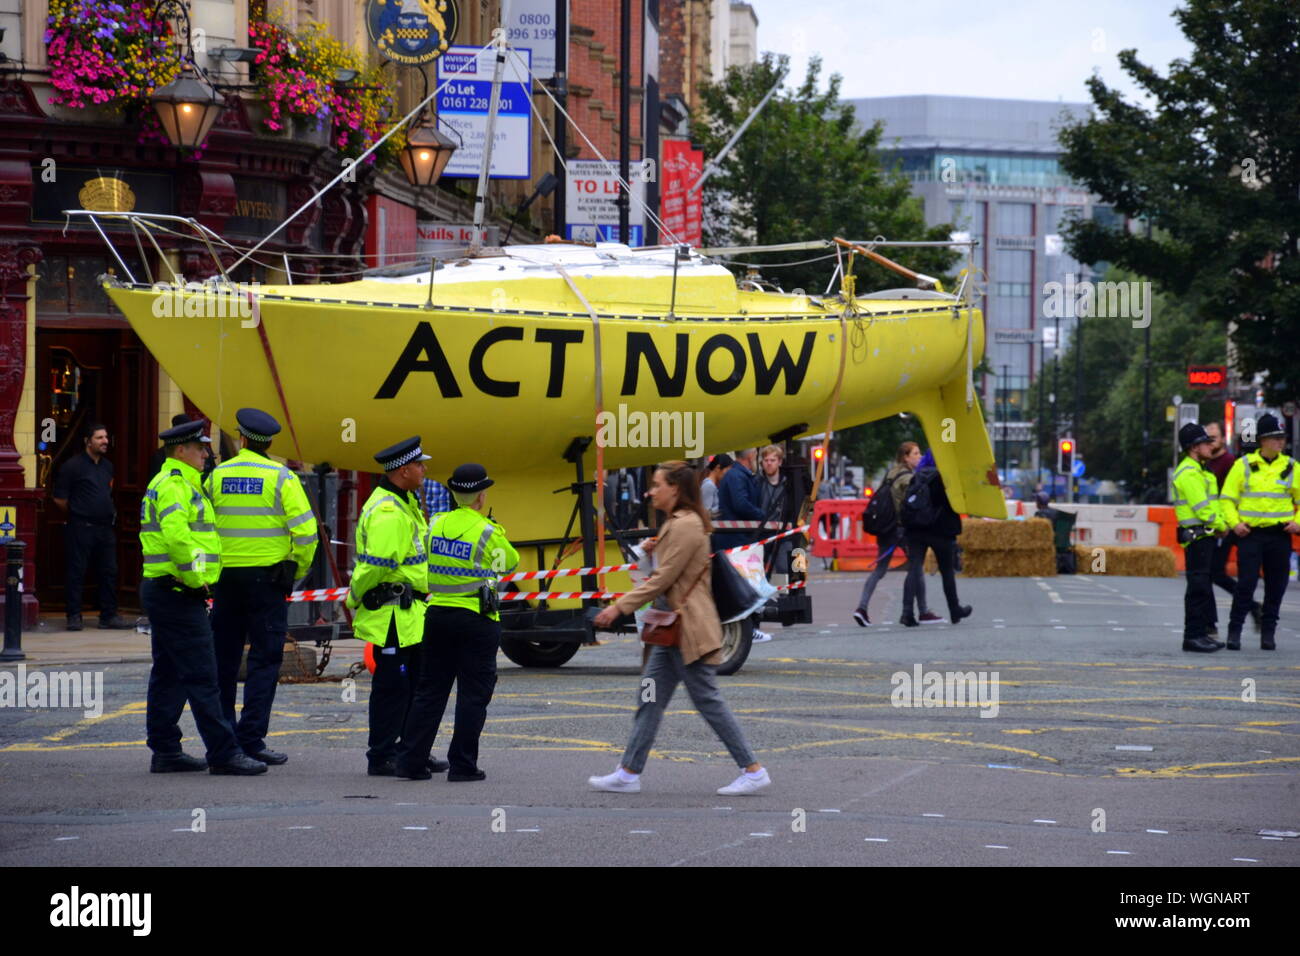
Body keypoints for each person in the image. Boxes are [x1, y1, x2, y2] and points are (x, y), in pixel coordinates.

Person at [588, 461, 770, 796]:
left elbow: (664, 579)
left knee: (707, 700)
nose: (651, 491)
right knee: (650, 698)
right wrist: (648, 551)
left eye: (657, 485)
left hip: (689, 628)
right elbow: (666, 571)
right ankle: (628, 772)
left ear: (676, 488)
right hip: (671, 631)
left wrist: (618, 607)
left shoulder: (685, 525)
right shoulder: (676, 523)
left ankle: (753, 769)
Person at [139, 419, 265, 775]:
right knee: (203, 675)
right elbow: (179, 539)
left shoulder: (177, 483)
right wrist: (196, 580)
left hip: (167, 590)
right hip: (178, 591)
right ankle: (224, 753)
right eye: (200, 448)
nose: (206, 454)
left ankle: (165, 750)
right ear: (181, 450)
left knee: (169, 673)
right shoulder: (176, 486)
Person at [205, 408, 318, 766]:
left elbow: (203, 526)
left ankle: (224, 741)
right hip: (267, 583)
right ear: (269, 442)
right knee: (264, 661)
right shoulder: (281, 477)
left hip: (225, 580)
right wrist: (294, 572)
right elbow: (306, 533)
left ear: (241, 439)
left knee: (223, 661)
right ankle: (251, 739)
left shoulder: (216, 475)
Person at [396, 464, 519, 782]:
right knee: (472, 694)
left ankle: (411, 761)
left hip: (436, 617)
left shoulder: (435, 523)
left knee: (429, 691)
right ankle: (463, 765)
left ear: (453, 492)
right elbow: (510, 562)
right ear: (481, 496)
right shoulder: (488, 530)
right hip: (477, 620)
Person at [348, 437, 437, 776]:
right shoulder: (388, 510)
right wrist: (353, 595)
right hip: (392, 617)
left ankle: (410, 751)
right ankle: (382, 755)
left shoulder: (404, 501)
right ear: (404, 470)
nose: (424, 470)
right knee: (392, 690)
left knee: (413, 686)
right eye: (419, 465)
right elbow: (376, 564)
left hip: (409, 614)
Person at [1219, 413, 1300, 651]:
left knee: (1277, 585)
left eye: (1282, 438)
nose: (1280, 442)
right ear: (1263, 440)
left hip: (1279, 535)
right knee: (1246, 584)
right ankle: (1235, 631)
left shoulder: (1291, 467)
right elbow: (1227, 499)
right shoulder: (1243, 465)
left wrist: (1297, 523)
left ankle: (1268, 632)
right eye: (1275, 438)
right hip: (1250, 535)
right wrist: (1235, 524)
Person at [52, 422, 133, 631]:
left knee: (109, 572)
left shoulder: (108, 466)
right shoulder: (72, 466)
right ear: (88, 441)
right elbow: (59, 499)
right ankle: (74, 616)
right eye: (99, 438)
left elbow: (108, 492)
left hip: (105, 528)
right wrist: (79, 512)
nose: (105, 441)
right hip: (81, 527)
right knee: (76, 571)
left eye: (106, 437)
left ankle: (108, 615)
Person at [854, 441, 938, 626]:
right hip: (900, 529)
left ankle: (862, 608)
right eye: (915, 453)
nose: (920, 457)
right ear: (905, 457)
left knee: (880, 570)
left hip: (885, 527)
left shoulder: (891, 473)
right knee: (916, 567)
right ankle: (923, 611)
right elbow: (913, 502)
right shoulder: (907, 478)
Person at [899, 450, 972, 626]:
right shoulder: (945, 477)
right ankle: (955, 610)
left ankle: (907, 613)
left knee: (914, 569)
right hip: (941, 529)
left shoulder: (918, 476)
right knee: (947, 571)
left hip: (917, 529)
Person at [1172, 423, 1227, 653]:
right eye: (1205, 443)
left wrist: (1220, 523)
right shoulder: (1189, 473)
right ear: (1194, 447)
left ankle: (1201, 634)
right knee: (1197, 587)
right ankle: (1193, 636)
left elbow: (1212, 503)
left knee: (1202, 586)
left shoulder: (1201, 471)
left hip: (1205, 535)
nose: (1209, 446)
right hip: (1198, 536)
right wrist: (1221, 524)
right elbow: (1202, 508)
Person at [1202, 421, 1257, 635]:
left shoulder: (1229, 462)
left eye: (1213, 438)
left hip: (1227, 526)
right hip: (1216, 525)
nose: (1209, 442)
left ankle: (1249, 607)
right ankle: (1215, 620)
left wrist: (1226, 524)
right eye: (1206, 439)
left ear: (1223, 440)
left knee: (1213, 573)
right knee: (1211, 574)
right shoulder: (1207, 463)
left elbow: (1228, 498)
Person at [700, 453, 733, 520]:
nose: (728, 475)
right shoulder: (709, 486)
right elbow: (706, 513)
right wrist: (723, 506)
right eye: (727, 471)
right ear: (718, 468)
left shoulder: (711, 485)